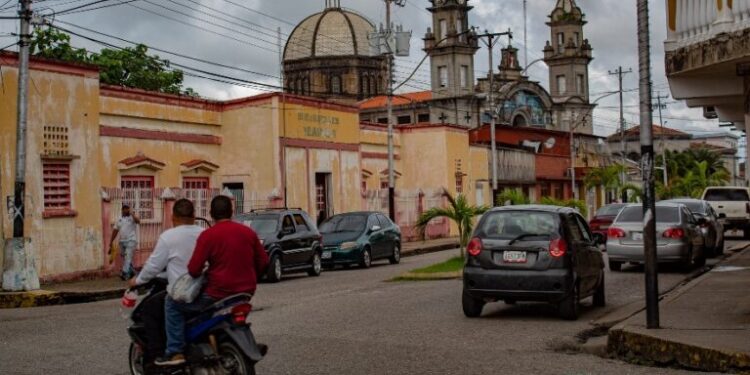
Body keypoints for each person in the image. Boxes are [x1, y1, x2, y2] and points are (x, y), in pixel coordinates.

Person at [158, 195, 269, 366]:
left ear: (211, 214)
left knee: (171, 304)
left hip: (217, 294)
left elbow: (194, 270)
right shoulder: (248, 232)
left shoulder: (208, 235)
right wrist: (250, 275)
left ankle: (175, 351)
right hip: (245, 292)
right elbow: (263, 261)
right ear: (232, 212)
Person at [127, 199, 204, 370]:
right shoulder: (204, 233)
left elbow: (153, 266)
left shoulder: (168, 237)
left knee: (150, 309)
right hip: (204, 290)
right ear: (194, 216)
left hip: (182, 292)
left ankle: (162, 354)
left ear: (173, 217)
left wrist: (137, 280)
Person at [110, 204, 141, 280]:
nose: (126, 210)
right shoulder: (119, 219)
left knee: (127, 256)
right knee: (126, 258)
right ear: (122, 210)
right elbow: (115, 231)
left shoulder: (132, 218)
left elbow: (138, 221)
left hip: (131, 240)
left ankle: (124, 273)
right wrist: (111, 241)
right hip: (122, 241)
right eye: (124, 209)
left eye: (127, 208)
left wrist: (132, 214)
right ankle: (132, 272)